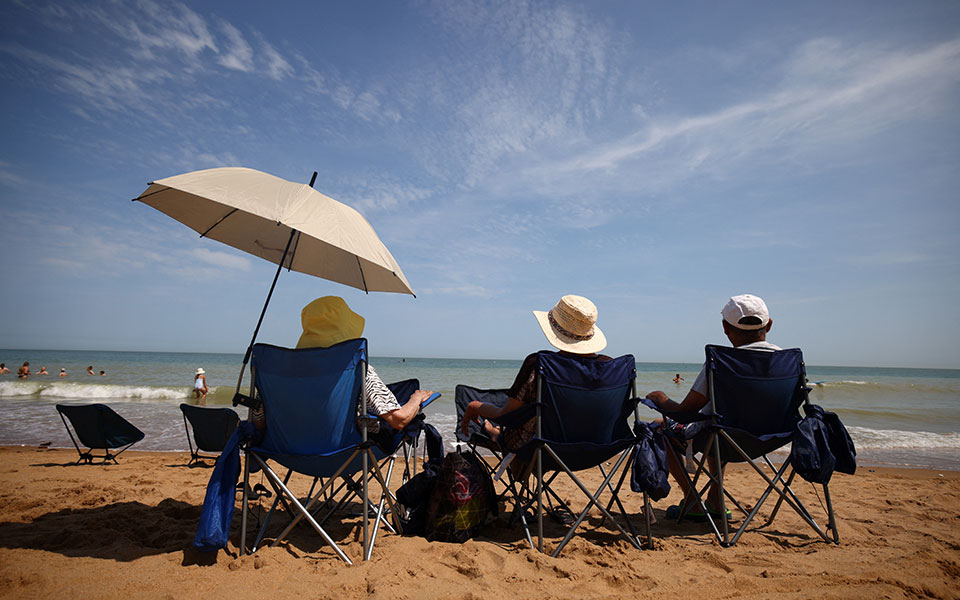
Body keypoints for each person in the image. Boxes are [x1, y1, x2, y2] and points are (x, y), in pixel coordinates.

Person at [645, 293, 781, 519]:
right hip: (771, 438)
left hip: (723, 439)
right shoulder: (788, 361)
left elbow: (685, 413)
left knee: (661, 429)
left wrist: (661, 399)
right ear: (769, 325)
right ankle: (716, 502)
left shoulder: (721, 363)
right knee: (720, 425)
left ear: (726, 328)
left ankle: (692, 501)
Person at [460, 294, 611, 456]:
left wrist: (473, 407)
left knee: (513, 421)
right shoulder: (609, 368)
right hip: (596, 448)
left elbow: (506, 414)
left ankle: (496, 433)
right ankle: (496, 432)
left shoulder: (540, 364)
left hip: (542, 447)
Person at [295, 296, 434, 430]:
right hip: (347, 446)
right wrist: (417, 397)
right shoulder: (357, 370)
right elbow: (399, 420)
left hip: (291, 445)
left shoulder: (291, 371)